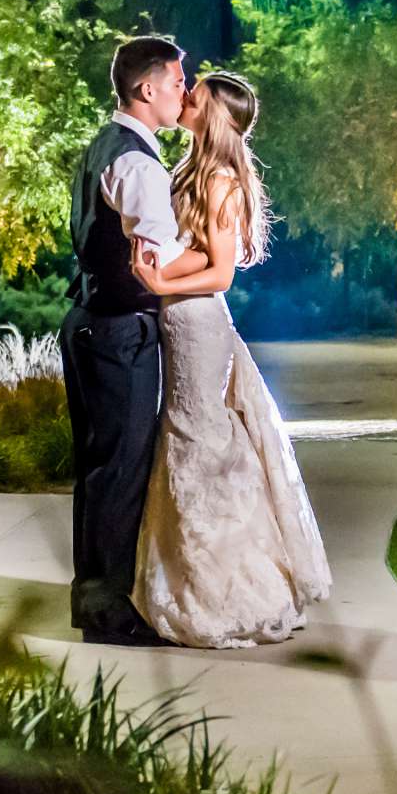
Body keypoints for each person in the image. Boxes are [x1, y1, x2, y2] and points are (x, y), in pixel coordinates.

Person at [127, 70, 331, 648]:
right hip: (179, 318)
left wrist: (159, 279)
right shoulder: (192, 170)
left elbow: (220, 270)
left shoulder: (221, 182)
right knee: (189, 437)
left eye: (195, 97)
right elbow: (192, 250)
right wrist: (159, 272)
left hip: (198, 324)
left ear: (214, 115)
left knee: (198, 439)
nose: (185, 97)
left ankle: (224, 589)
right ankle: (192, 574)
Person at [61, 35, 190, 645]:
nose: (182, 93)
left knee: (98, 467)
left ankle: (93, 600)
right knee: (120, 468)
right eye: (176, 82)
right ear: (147, 89)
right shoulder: (137, 163)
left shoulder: (105, 147)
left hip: (90, 320)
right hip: (119, 330)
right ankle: (110, 612)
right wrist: (213, 251)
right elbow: (158, 256)